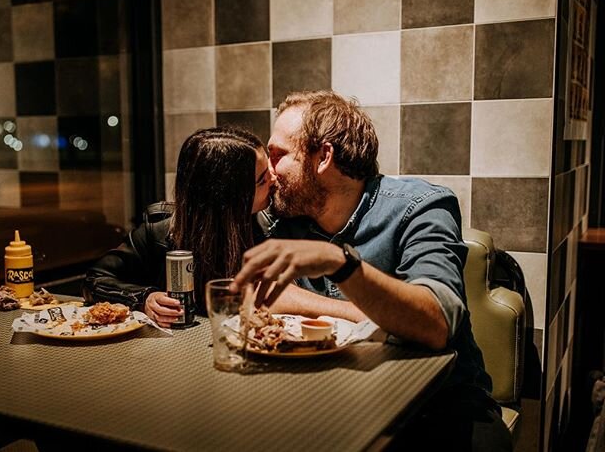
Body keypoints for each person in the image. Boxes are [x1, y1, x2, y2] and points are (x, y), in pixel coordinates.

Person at [231, 90, 513, 451]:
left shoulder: (420, 208)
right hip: (324, 406)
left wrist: (338, 266)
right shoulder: (280, 218)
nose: (268, 172)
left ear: (324, 157)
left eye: (278, 155)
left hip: (437, 408)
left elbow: (436, 323)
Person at [82, 126, 275, 327]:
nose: (274, 178)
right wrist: (143, 298)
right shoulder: (159, 232)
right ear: (228, 196)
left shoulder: (274, 228)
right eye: (262, 180)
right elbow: (94, 280)